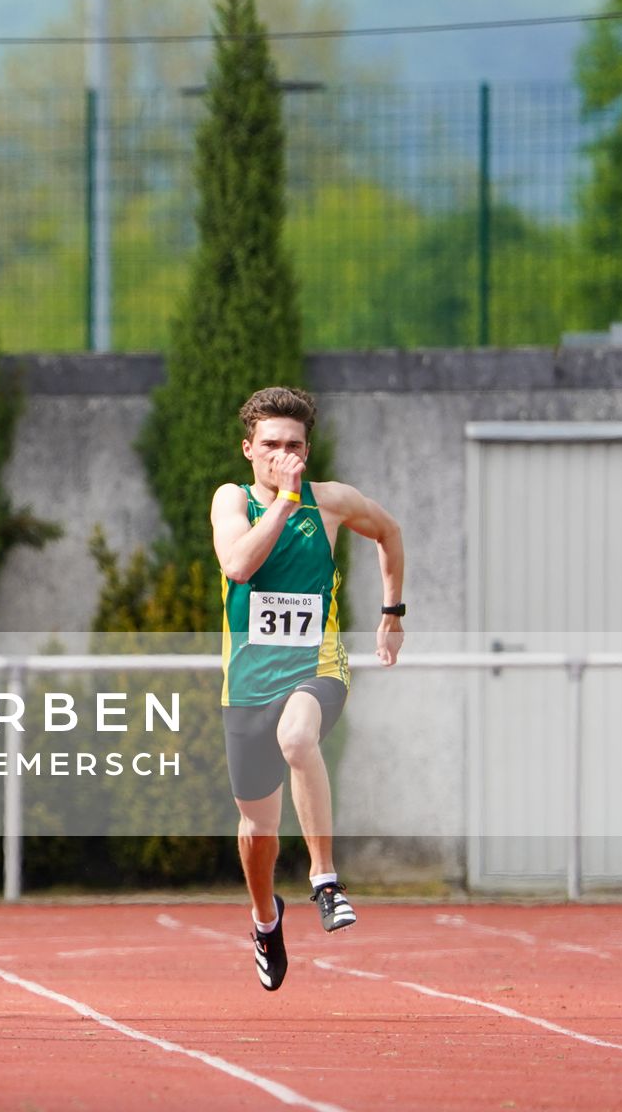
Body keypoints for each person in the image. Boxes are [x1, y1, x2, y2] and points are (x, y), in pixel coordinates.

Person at [211, 386, 403, 991]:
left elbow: (390, 534)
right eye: (270, 446)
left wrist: (392, 611)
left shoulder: (334, 503)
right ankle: (266, 918)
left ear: (307, 449)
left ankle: (325, 880)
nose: (282, 456)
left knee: (298, 737)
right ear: (249, 450)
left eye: (293, 445)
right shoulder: (231, 501)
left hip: (315, 667)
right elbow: (238, 565)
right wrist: (284, 504)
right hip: (247, 683)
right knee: (256, 831)